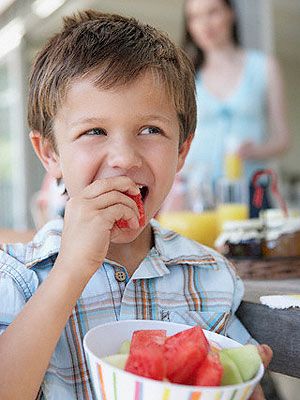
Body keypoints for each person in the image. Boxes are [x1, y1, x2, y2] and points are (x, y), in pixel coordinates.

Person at [0, 10, 271, 399]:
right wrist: (71, 270)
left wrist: (244, 381)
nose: (124, 158)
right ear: (49, 153)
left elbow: (238, 380)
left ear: (181, 151)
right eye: (94, 131)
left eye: (150, 130)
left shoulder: (211, 276)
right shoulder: (17, 278)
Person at [177, 0, 290, 215]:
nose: (205, 24)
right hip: (197, 194)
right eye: (195, 17)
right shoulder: (186, 74)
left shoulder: (264, 67)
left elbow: (282, 139)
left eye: (212, 12)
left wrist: (255, 150)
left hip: (251, 191)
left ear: (231, 13)